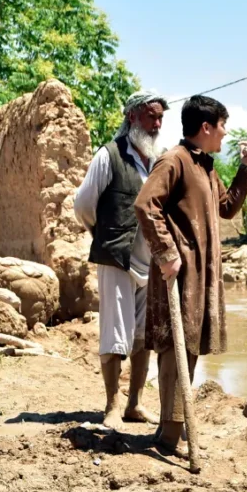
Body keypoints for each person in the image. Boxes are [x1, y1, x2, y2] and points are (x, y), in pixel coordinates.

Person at [134, 95, 247, 456]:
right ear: (206, 127)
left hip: (200, 275)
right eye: (222, 126)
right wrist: (167, 253)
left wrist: (246, 167)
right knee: (177, 347)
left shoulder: (204, 165)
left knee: (188, 347)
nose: (225, 133)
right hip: (180, 274)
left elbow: (227, 208)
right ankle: (170, 436)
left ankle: (172, 429)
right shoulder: (174, 160)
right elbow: (145, 205)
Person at [74, 90, 169, 429]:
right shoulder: (109, 155)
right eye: (150, 116)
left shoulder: (160, 159)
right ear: (132, 117)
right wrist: (103, 235)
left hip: (151, 262)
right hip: (116, 257)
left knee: (143, 333)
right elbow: (83, 204)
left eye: (160, 118)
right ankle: (112, 405)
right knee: (115, 332)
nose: (156, 124)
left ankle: (135, 404)